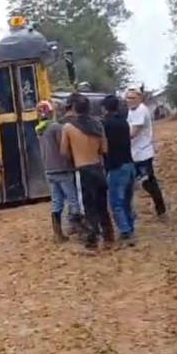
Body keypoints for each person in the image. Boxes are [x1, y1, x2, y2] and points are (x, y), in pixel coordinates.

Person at [60, 93, 114, 249]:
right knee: (102, 204)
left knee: (89, 206)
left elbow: (63, 151)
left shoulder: (69, 127)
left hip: (83, 169)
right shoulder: (98, 125)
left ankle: (93, 238)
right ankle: (109, 235)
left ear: (74, 108)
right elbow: (104, 149)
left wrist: (75, 154)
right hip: (98, 167)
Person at [36, 100, 83, 243]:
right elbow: (64, 148)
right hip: (62, 168)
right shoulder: (56, 128)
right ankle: (79, 230)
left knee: (57, 202)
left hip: (49, 170)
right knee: (73, 200)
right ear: (51, 112)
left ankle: (58, 234)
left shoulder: (39, 129)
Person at [125, 88, 168, 221]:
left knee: (148, 183)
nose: (129, 100)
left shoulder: (141, 111)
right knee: (130, 184)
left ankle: (161, 211)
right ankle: (131, 213)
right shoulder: (132, 111)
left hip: (142, 154)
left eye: (132, 98)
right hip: (134, 153)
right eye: (127, 98)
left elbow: (132, 133)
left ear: (140, 98)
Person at [101, 94, 137, 240]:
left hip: (116, 167)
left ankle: (125, 231)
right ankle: (130, 227)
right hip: (129, 164)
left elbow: (104, 147)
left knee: (116, 202)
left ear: (104, 108)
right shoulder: (124, 122)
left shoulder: (105, 125)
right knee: (127, 201)